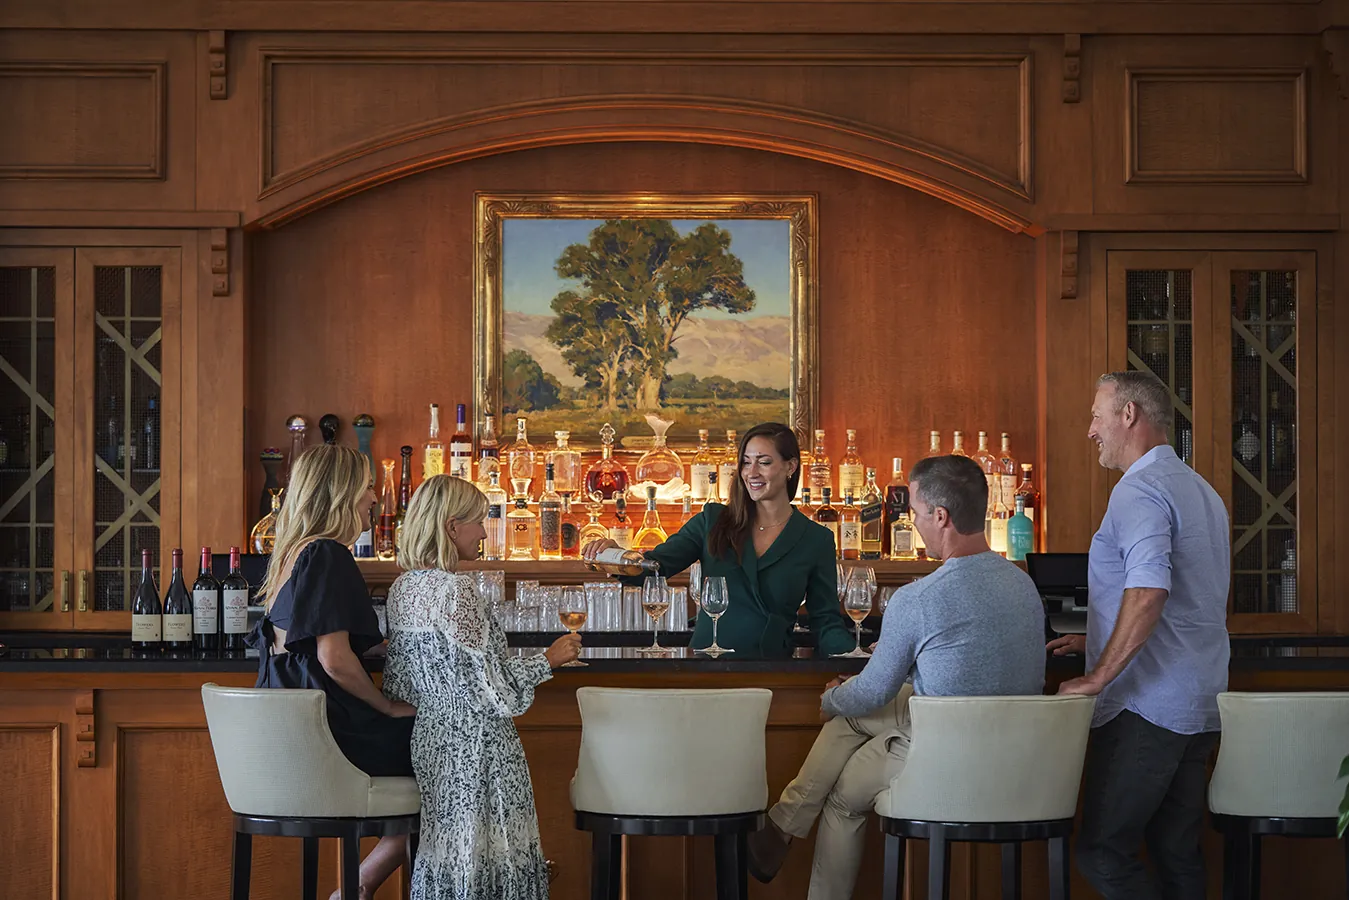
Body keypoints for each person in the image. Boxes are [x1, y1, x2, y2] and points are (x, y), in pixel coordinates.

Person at [747, 455, 1047, 899]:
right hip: (1016, 759)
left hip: (941, 755)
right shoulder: (1025, 586)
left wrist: (832, 698)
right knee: (854, 720)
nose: (914, 522)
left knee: (845, 789)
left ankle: (782, 829)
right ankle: (778, 829)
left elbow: (872, 690)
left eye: (916, 513)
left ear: (940, 517)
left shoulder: (919, 597)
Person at [1050, 370, 1230, 899]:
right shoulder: (1202, 491)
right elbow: (1190, 600)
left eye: (1096, 415)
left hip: (1146, 706)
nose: (1090, 430)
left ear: (1128, 415)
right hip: (1201, 704)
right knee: (1177, 856)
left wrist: (1099, 675)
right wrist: (1099, 636)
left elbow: (1150, 590)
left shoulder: (1139, 491)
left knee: (1103, 853)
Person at [381, 474, 581, 900]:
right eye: (478, 520)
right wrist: (548, 660)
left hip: (431, 739)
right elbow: (497, 693)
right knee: (497, 858)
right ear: (451, 527)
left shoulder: (402, 589)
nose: (485, 531)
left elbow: (400, 681)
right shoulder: (458, 591)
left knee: (449, 855)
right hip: (479, 744)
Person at [249, 444, 416, 900]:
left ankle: (356, 888)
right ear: (339, 494)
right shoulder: (327, 554)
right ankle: (355, 888)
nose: (373, 500)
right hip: (325, 738)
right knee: (449, 753)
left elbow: (310, 645)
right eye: (365, 488)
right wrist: (387, 704)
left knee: (440, 753)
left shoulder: (290, 555)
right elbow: (334, 660)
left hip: (288, 738)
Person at [581, 422, 854, 657]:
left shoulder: (816, 539)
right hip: (708, 664)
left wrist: (857, 659)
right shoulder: (714, 520)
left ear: (790, 466)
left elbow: (825, 620)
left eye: (764, 462)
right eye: (746, 462)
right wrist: (615, 556)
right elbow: (655, 565)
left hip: (771, 668)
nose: (752, 472)